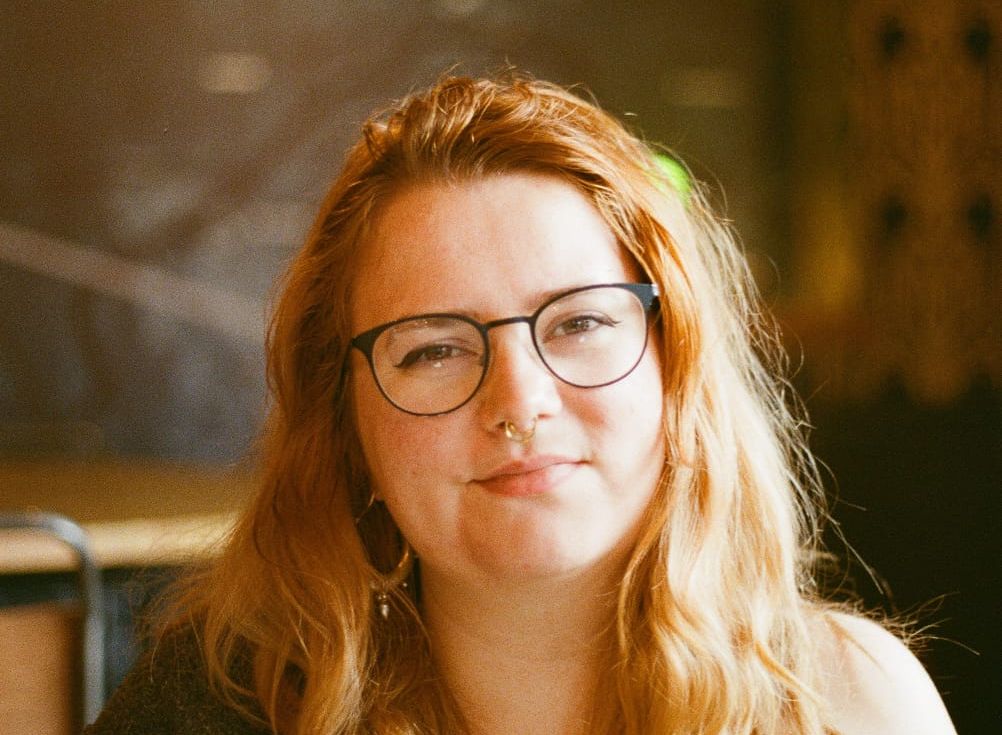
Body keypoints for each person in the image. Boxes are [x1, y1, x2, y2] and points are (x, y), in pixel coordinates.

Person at [86, 73, 956, 735]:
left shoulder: (849, 705)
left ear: (675, 368)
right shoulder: (218, 704)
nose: (520, 401)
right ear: (344, 429)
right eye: (432, 348)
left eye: (579, 322)